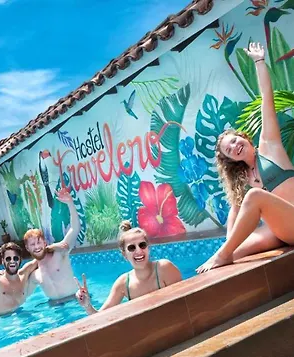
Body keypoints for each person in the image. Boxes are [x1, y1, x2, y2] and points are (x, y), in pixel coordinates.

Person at [197, 42, 294, 273]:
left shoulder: (270, 146)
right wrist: (228, 244)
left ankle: (222, 255)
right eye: (229, 150)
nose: (234, 147)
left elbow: (266, 99)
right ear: (231, 160)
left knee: (255, 196)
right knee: (234, 252)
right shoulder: (244, 178)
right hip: (281, 230)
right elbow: (235, 210)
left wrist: (259, 61)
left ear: (244, 137)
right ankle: (220, 260)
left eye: (234, 141)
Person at [75, 221, 181, 314]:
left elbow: (185, 299)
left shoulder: (164, 268)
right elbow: (101, 317)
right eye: (131, 248)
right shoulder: (123, 284)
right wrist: (87, 306)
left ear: (148, 248)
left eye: (142, 245)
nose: (138, 251)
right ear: (124, 254)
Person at [24, 187, 81, 303]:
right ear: (27, 248)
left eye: (39, 242)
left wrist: (70, 203)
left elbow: (75, 228)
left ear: (45, 243)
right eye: (32, 244)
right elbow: (23, 296)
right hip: (55, 308)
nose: (37, 247)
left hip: (76, 301)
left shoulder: (60, 253)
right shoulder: (35, 276)